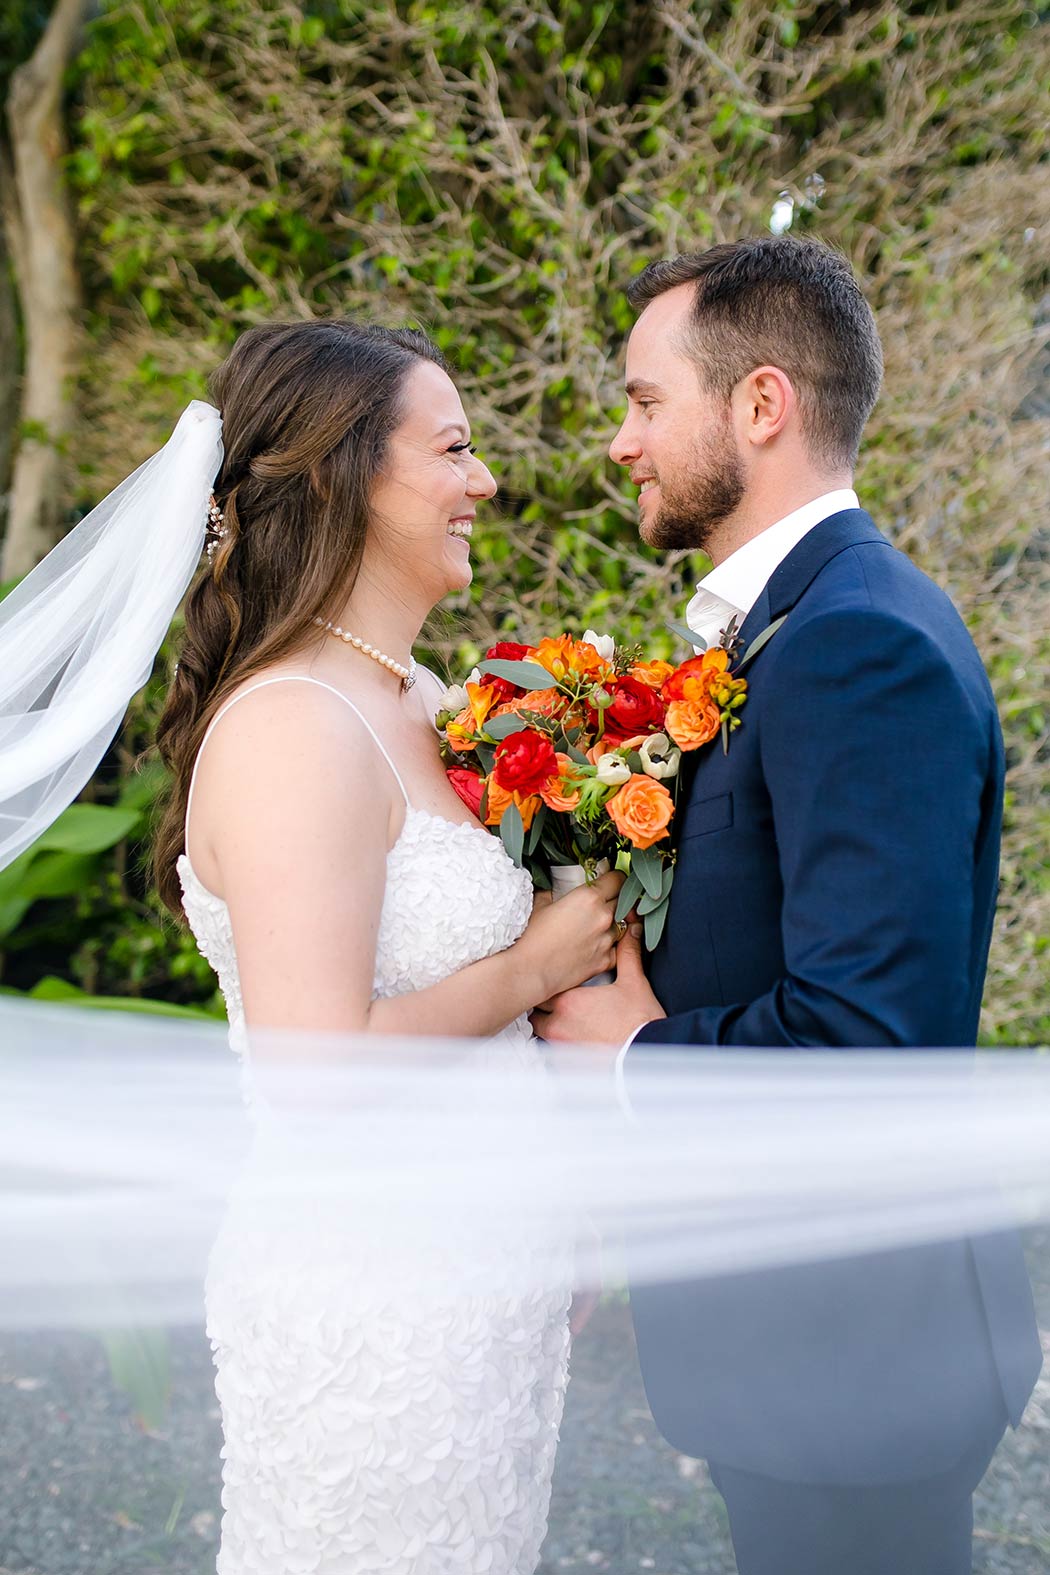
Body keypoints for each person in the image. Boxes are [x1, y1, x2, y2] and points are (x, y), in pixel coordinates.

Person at [0, 317, 623, 1575]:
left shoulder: (427, 702)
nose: (484, 482)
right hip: (373, 1300)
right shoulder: (293, 725)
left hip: (485, 1280)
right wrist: (539, 964)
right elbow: (316, 1067)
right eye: (453, 450)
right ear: (346, 475)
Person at [532, 236, 1043, 1575]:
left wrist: (630, 1051)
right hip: (814, 1345)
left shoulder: (853, 645)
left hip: (858, 1360)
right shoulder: (793, 629)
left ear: (759, 405)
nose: (619, 442)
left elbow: (864, 1036)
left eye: (645, 401)